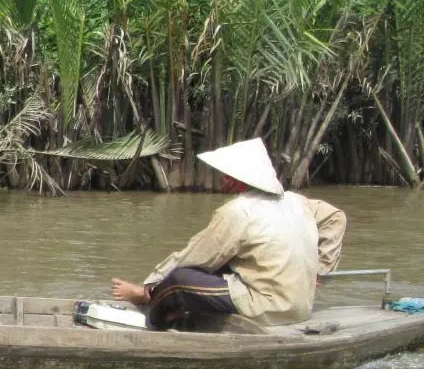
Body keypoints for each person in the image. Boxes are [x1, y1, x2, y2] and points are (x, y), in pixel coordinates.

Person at [109, 138, 346, 331]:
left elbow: (194, 256)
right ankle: (173, 310)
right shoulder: (297, 202)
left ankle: (152, 320)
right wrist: (322, 271)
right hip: (302, 306)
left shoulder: (238, 211)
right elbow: (337, 218)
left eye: (228, 175)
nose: (223, 180)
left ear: (241, 181)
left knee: (177, 281)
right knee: (221, 265)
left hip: (266, 307)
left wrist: (150, 284)